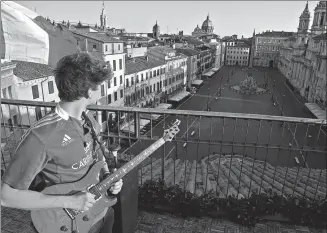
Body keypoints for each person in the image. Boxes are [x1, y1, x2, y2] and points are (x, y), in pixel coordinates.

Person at [1, 52, 123, 233]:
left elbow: (97, 157)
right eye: (101, 86)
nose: (102, 90)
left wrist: (108, 176)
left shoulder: (89, 119)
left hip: (100, 214)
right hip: (64, 224)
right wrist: (70, 201)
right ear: (89, 91)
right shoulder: (42, 135)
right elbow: (6, 196)